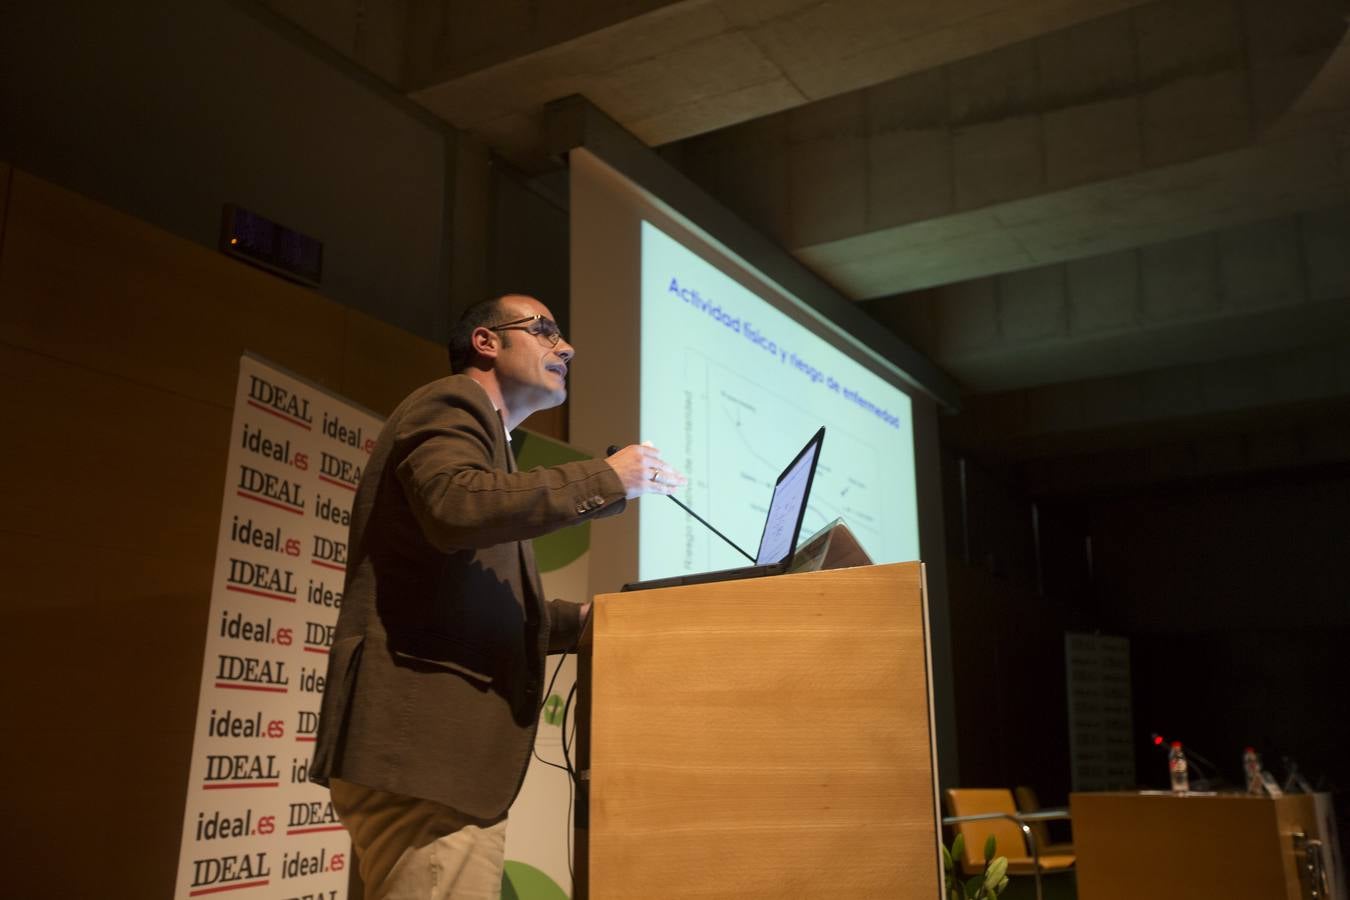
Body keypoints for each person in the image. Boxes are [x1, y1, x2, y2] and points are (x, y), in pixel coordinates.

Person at [310, 293, 683, 899]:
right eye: (544, 331)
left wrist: (590, 621)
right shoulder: (452, 401)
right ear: (486, 341)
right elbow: (456, 506)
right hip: (424, 755)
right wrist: (607, 476)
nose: (566, 348)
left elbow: (471, 600)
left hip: (425, 764)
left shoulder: (492, 445)